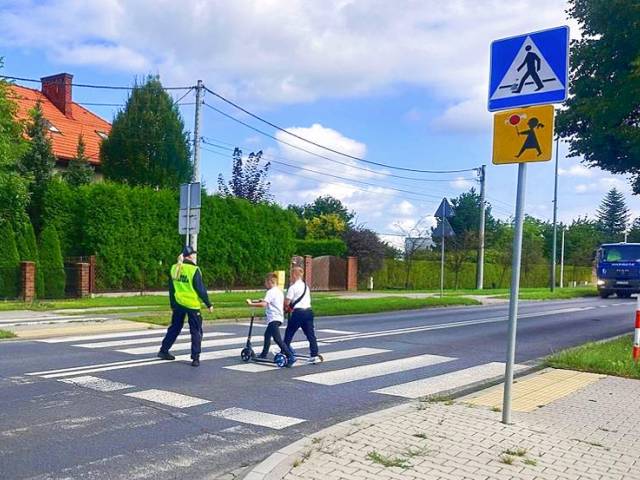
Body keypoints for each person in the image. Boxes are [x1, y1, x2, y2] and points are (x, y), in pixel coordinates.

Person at [158, 246, 213, 367]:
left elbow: (171, 289)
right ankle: (195, 358)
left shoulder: (174, 268)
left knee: (175, 327)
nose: (194, 256)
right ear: (190, 256)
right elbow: (200, 289)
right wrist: (208, 304)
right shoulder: (194, 270)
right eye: (193, 254)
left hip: (178, 303)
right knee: (196, 331)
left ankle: (163, 350)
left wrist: (172, 304)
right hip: (192, 305)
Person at [246, 272, 295, 366]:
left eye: (265, 282)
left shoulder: (270, 292)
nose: (265, 284)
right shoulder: (279, 291)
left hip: (273, 318)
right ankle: (264, 354)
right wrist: (263, 300)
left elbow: (264, 304)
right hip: (279, 317)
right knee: (267, 335)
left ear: (270, 282)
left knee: (277, 339)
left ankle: (290, 356)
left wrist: (251, 304)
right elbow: (272, 301)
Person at [284, 266, 320, 364]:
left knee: (289, 332)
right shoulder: (305, 286)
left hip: (298, 313)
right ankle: (314, 354)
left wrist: (285, 309)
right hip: (308, 312)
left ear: (294, 275)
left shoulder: (293, 287)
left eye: (291, 275)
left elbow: (287, 302)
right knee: (310, 334)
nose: (290, 277)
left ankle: (285, 351)